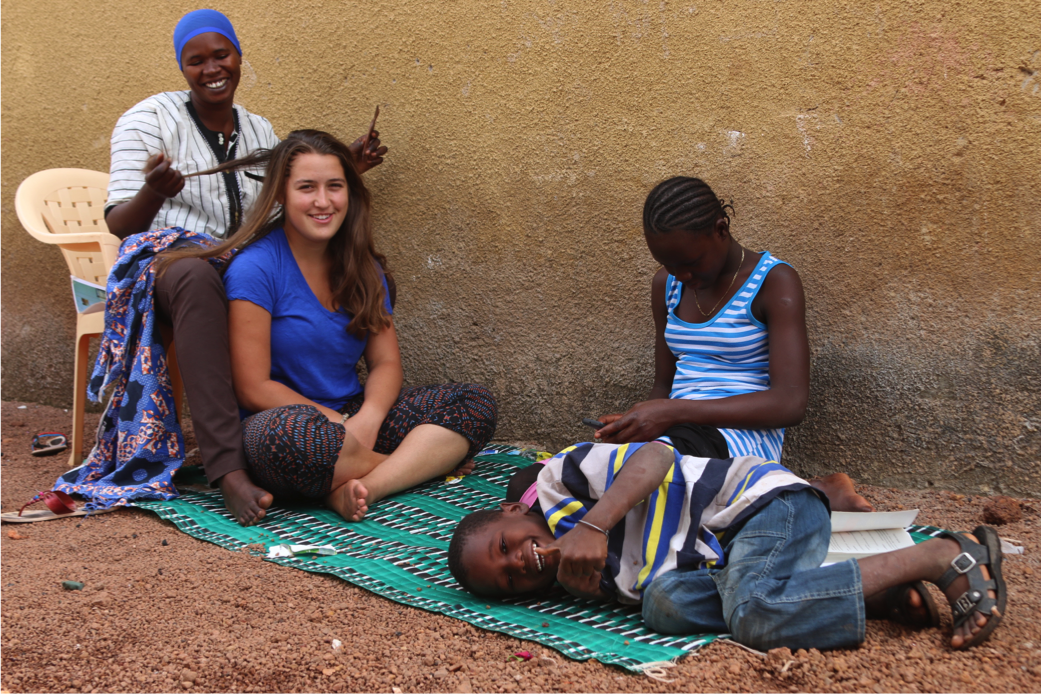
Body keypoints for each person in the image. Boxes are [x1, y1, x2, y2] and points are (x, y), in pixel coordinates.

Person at [102, 9, 387, 525]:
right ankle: (229, 470)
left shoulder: (258, 129)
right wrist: (153, 192)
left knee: (287, 267)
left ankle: (320, 435)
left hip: (237, 262)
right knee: (197, 275)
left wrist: (348, 164)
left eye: (222, 55)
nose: (212, 68)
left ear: (238, 57)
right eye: (197, 61)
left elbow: (281, 205)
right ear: (182, 67)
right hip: (167, 267)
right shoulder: (148, 120)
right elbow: (121, 223)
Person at [159, 130, 498, 521]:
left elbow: (386, 364)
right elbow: (253, 388)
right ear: (281, 195)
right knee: (286, 438)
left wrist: (368, 416)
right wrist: (339, 423)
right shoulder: (256, 268)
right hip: (289, 427)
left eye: (334, 186)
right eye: (307, 187)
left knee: (474, 402)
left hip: (354, 418)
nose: (323, 201)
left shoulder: (362, 266)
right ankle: (412, 464)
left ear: (349, 192)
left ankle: (366, 486)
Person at [447, 441, 1007, 652]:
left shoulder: (560, 481)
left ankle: (942, 555)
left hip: (762, 506)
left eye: (505, 548)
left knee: (755, 616)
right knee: (661, 604)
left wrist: (596, 525)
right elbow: (668, 584)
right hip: (732, 556)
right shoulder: (577, 580)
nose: (520, 564)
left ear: (513, 511)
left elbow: (657, 457)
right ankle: (869, 593)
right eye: (511, 581)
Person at [589, 176, 871, 511]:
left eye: (691, 263)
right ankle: (808, 490)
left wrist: (671, 413)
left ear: (721, 229)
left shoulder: (774, 282)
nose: (682, 276)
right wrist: (639, 423)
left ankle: (806, 489)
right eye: (669, 265)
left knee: (642, 495)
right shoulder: (667, 285)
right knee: (570, 480)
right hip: (676, 433)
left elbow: (790, 403)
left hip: (740, 436)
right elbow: (664, 385)